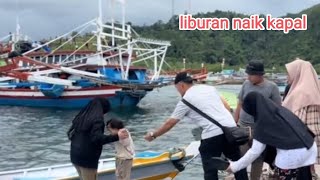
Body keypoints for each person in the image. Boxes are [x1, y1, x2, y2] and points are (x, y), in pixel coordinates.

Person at [144, 72, 248, 180]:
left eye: (177, 89)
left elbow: (170, 123)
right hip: (230, 129)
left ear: (181, 85)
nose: (178, 92)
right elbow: (226, 106)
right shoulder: (209, 89)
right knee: (237, 163)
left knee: (210, 169)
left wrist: (154, 135)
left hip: (212, 134)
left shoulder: (185, 101)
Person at [227, 92, 317, 180]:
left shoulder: (263, 122)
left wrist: (234, 167)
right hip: (310, 147)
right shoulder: (280, 110)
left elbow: (255, 151)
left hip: (292, 155)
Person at [234, 60, 281, 180]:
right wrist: (235, 122)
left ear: (260, 74)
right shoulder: (246, 84)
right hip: (243, 127)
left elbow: (277, 109)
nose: (248, 77)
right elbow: (240, 103)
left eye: (251, 75)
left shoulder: (272, 88)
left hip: (260, 128)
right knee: (241, 156)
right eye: (248, 74)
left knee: (258, 157)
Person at [67, 97, 128, 180]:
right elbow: (97, 139)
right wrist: (117, 136)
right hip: (87, 159)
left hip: (75, 156)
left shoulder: (81, 118)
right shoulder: (97, 120)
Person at [283, 59, 320, 179]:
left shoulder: (300, 92)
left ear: (297, 73)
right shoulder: (314, 88)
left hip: (303, 139)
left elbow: (296, 121)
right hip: (315, 133)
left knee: (300, 172)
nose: (287, 76)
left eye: (289, 73)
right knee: (306, 169)